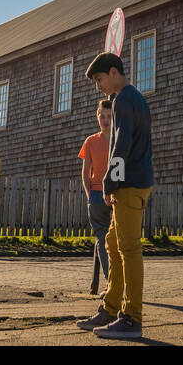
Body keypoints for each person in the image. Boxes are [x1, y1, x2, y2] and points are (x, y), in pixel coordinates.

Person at [75, 52, 154, 340]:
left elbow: (121, 144)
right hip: (134, 181)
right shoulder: (135, 97)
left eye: (99, 80)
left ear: (112, 72)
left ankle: (132, 318)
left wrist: (109, 183)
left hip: (129, 184)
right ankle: (109, 308)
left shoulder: (122, 99)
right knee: (111, 241)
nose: (99, 87)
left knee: (129, 249)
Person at [78, 99, 114, 291]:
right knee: (101, 236)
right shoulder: (91, 141)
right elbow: (85, 172)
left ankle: (95, 283)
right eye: (102, 116)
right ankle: (111, 283)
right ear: (97, 117)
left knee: (106, 239)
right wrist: (89, 194)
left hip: (116, 195)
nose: (106, 120)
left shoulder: (119, 140)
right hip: (97, 194)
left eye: (109, 116)